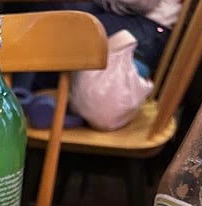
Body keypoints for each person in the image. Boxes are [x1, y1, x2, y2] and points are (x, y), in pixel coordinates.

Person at [10, 0, 182, 129]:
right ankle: (27, 96)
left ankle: (19, 96)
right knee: (43, 11)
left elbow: (141, 3)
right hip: (130, 19)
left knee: (55, 12)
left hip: (147, 27)